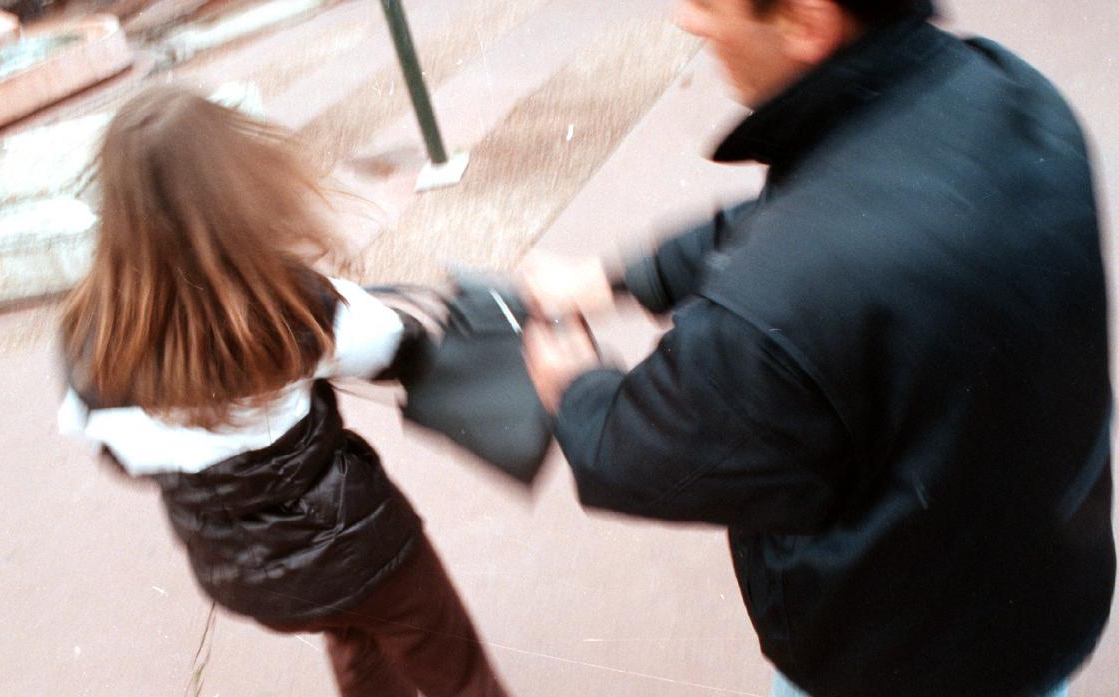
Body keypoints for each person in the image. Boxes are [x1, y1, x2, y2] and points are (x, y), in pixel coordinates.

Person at [519, 1, 1114, 696]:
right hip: (1042, 612)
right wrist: (617, 277)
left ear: (805, 21)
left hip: (889, 664)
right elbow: (814, 218)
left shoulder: (786, 300)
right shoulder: (1009, 93)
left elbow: (638, 448)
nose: (689, 19)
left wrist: (573, 384)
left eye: (712, 2)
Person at [57, 84, 507, 697]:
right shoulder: (282, 300)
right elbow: (384, 344)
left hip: (246, 577)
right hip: (365, 547)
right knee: (451, 669)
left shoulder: (87, 335)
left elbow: (111, 450)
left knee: (350, 634)